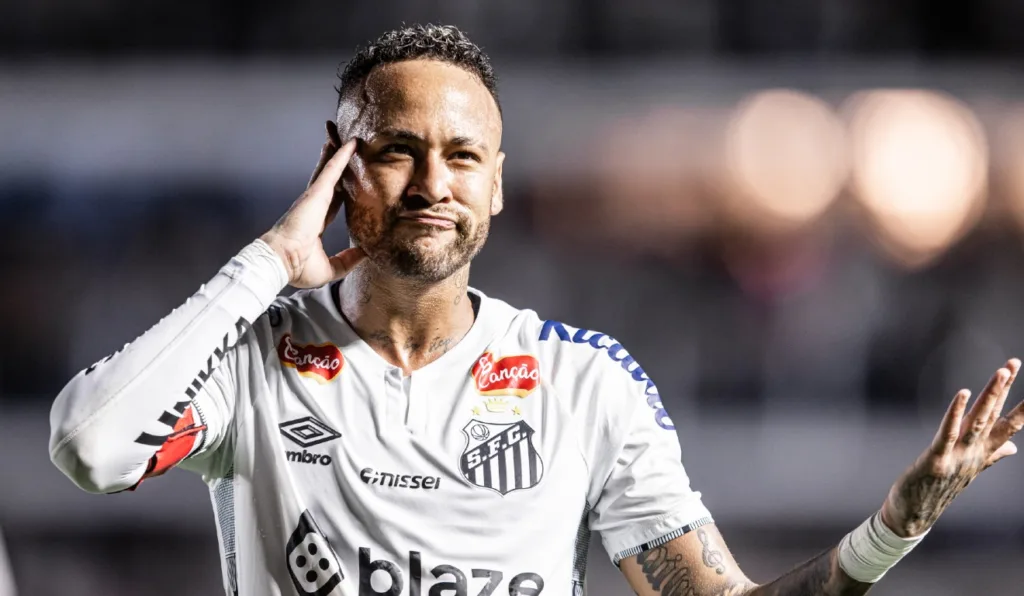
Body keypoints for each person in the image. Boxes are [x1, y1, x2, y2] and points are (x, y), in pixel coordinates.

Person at [48, 23, 1024, 596]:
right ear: (336, 167)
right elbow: (92, 447)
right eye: (396, 149)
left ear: (498, 185)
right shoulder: (257, 359)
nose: (434, 181)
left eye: (463, 156)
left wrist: (888, 530)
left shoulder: (583, 382)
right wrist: (265, 263)